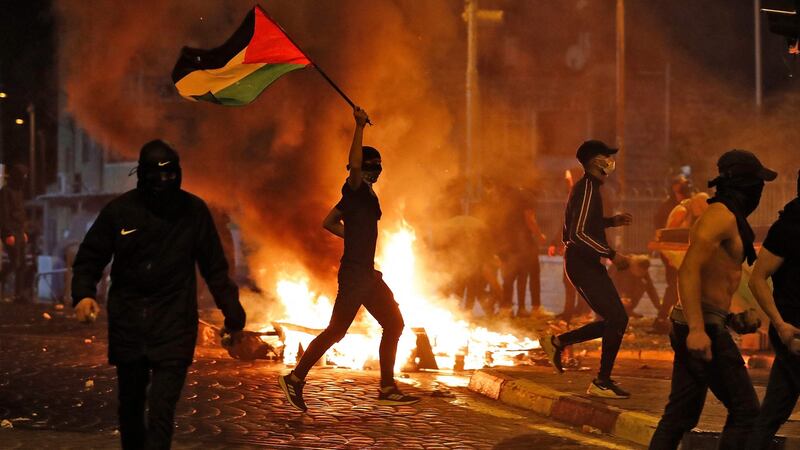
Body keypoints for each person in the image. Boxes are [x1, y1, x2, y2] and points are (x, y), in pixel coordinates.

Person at [71, 140, 246, 449]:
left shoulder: (194, 212)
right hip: (129, 324)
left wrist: (232, 314)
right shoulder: (121, 211)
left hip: (174, 324)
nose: (165, 183)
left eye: (171, 175)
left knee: (161, 409)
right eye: (158, 176)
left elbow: (215, 268)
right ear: (142, 175)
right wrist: (84, 294)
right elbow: (90, 257)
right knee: (131, 407)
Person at [278, 107, 419, 412]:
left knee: (394, 324)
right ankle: (295, 378)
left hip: (367, 275)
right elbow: (353, 165)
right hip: (355, 276)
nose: (376, 169)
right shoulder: (355, 188)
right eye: (373, 165)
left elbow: (328, 222)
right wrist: (358, 127)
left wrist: (353, 238)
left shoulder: (358, 197)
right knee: (336, 331)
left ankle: (386, 387)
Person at [649, 149, 776, 450]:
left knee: (680, 416)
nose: (760, 190)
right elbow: (688, 272)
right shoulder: (719, 217)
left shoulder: (730, 217)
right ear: (743, 184)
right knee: (747, 412)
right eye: (757, 182)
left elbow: (710, 282)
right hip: (702, 328)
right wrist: (696, 329)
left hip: (707, 322)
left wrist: (731, 319)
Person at [539, 140, 634, 399]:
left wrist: (610, 222)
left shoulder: (590, 188)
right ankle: (601, 381)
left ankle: (558, 343)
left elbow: (585, 225)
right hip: (582, 262)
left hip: (586, 262)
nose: (610, 161)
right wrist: (612, 254)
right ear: (595, 161)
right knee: (617, 318)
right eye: (607, 156)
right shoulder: (587, 188)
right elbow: (579, 233)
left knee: (615, 319)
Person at [746, 170, 800, 449]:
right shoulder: (791, 225)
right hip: (794, 330)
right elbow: (757, 278)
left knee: (773, 412)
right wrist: (780, 325)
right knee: (773, 411)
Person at [651, 176, 693, 333]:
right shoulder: (672, 208)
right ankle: (663, 318)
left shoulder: (687, 206)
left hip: (685, 252)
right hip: (674, 253)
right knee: (675, 285)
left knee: (680, 286)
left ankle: (671, 318)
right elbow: (662, 230)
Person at [0, 164, 30, 302]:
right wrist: (7, 234)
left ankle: (19, 294)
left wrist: (23, 231)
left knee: (21, 263)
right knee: (15, 263)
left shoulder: (19, 192)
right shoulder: (5, 192)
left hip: (18, 231)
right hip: (11, 232)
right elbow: (4, 214)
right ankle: (4, 282)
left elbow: (21, 213)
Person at [610, 254, 660, 318]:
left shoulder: (643, 271)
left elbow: (651, 289)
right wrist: (619, 298)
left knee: (643, 283)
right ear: (633, 265)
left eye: (643, 273)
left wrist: (658, 306)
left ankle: (627, 311)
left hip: (626, 299)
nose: (641, 275)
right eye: (639, 272)